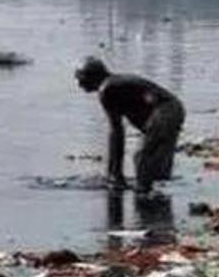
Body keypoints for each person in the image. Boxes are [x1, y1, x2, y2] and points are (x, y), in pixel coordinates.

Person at [76, 57, 185, 195]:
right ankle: (154, 203)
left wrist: (115, 175)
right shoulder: (113, 84)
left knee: (141, 156)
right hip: (174, 109)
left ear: (91, 76)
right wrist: (113, 173)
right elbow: (117, 132)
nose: (78, 84)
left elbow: (116, 132)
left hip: (166, 110)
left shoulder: (106, 89)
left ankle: (143, 195)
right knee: (156, 168)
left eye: (79, 77)